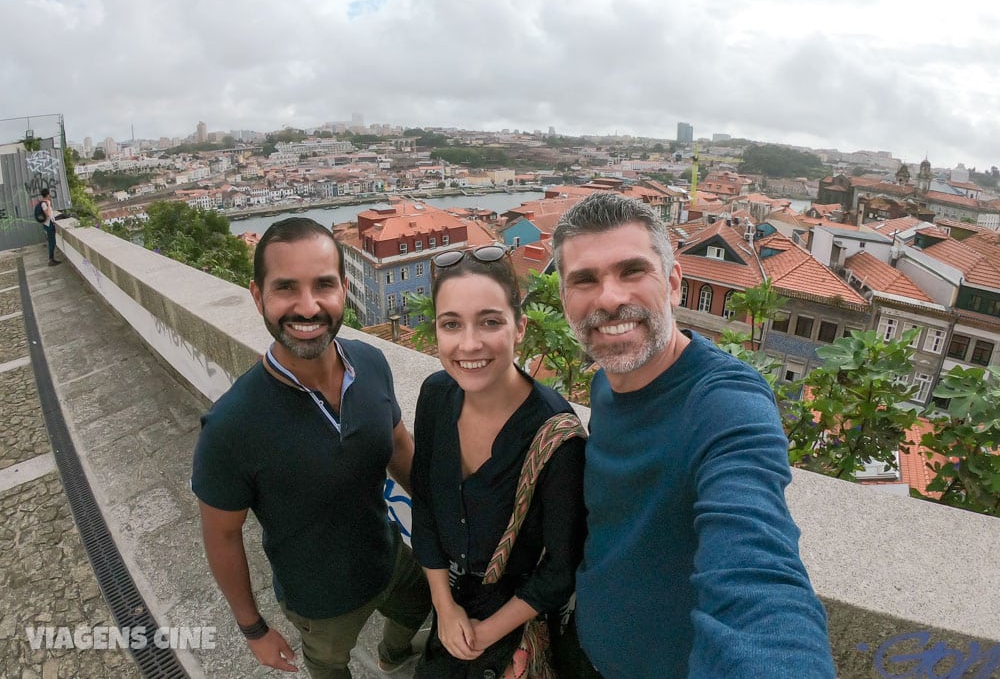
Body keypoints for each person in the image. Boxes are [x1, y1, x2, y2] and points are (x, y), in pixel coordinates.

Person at [552, 192, 836, 678]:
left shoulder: (725, 403)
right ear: (564, 301)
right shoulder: (605, 381)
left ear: (674, 284)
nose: (610, 297)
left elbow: (758, 575)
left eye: (632, 271)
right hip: (584, 648)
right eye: (584, 280)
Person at [192, 218, 431, 679]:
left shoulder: (371, 363)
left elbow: (398, 444)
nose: (307, 307)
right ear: (258, 296)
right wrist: (253, 629)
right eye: (286, 288)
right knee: (329, 666)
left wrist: (442, 513)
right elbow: (221, 535)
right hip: (320, 602)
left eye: (323, 285)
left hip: (390, 556)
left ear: (344, 289)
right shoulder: (231, 426)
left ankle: (393, 654)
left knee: (417, 604)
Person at [410, 244, 587, 678]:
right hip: (447, 602)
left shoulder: (556, 437)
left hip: (512, 616)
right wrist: (443, 606)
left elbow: (560, 568)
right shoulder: (435, 395)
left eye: (490, 322)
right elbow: (426, 506)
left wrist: (483, 634)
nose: (469, 344)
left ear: (520, 327)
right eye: (451, 324)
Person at [38, 187, 61, 266]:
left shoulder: (45, 202)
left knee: (52, 241)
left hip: (49, 223)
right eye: (49, 194)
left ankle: (52, 259)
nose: (50, 195)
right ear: (47, 194)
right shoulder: (44, 203)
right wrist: (49, 204)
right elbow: (47, 214)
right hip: (48, 224)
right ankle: (51, 259)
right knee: (52, 242)